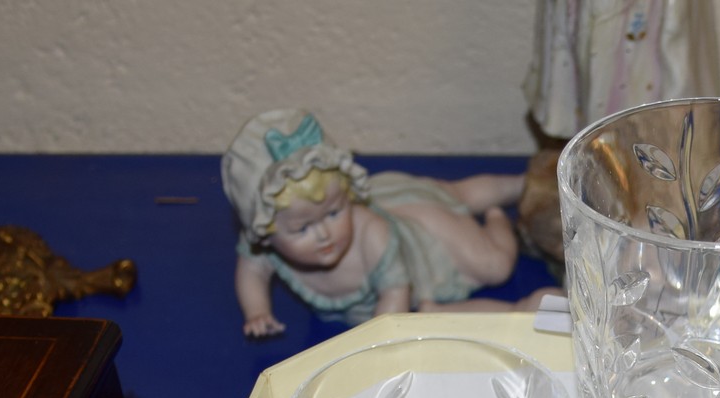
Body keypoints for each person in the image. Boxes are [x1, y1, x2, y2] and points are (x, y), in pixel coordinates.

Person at [222, 109, 544, 336]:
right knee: (454, 193)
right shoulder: (264, 245)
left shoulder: (373, 236)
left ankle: (503, 210)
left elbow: (393, 296)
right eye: (302, 229)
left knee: (494, 262)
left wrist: (374, 346)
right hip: (392, 201)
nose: (323, 234)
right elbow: (252, 270)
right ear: (264, 231)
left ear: (347, 195)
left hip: (425, 237)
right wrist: (257, 312)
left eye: (335, 213)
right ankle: (522, 185)